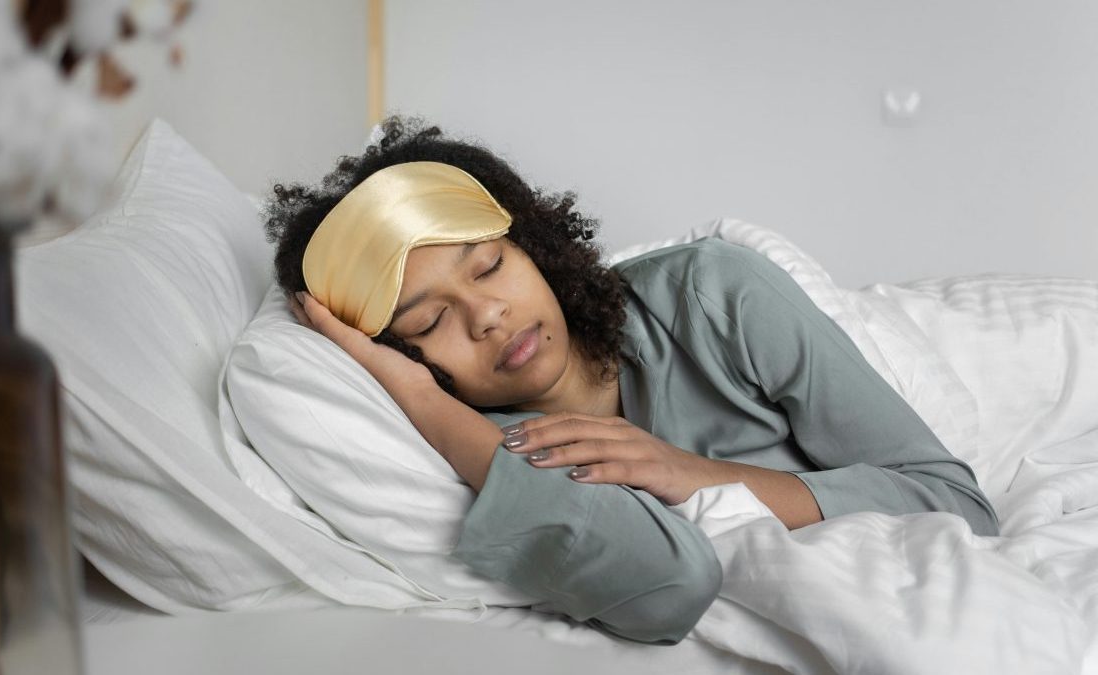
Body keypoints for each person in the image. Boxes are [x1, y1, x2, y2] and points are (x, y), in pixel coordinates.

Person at [264, 116, 999, 645]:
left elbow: (954, 501)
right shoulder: (487, 440)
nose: (487, 315)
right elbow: (669, 586)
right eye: (429, 324)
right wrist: (420, 398)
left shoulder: (713, 292)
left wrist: (692, 475)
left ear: (534, 244)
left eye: (489, 266)